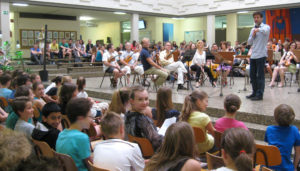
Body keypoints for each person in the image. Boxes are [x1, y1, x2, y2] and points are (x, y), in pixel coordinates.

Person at [56, 98, 92, 171]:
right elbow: (90, 165)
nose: (91, 120)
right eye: (89, 117)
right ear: (81, 118)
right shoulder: (82, 138)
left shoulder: (61, 134)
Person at [125, 86, 163, 151]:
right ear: (132, 101)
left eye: (146, 99)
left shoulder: (126, 115)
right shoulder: (143, 121)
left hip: (134, 151)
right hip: (148, 155)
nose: (145, 102)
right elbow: (158, 142)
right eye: (140, 99)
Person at [264, 104, 300, 170]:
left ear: (275, 118)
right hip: (286, 168)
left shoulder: (269, 129)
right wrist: (294, 168)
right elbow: (298, 153)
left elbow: (268, 147)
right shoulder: (294, 131)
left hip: (270, 168)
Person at [247, 11, 270, 101]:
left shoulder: (266, 27)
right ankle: (254, 92)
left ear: (261, 18)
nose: (256, 19)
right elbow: (249, 42)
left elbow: (265, 31)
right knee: (252, 75)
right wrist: (253, 35)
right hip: (253, 55)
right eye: (255, 18)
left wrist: (258, 29)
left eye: (257, 17)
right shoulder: (252, 29)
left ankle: (260, 94)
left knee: (260, 75)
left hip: (261, 54)